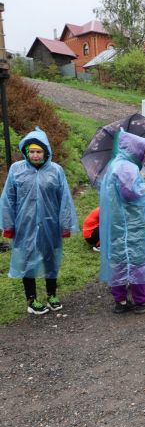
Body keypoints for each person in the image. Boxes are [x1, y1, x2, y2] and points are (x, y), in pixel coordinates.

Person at [0, 127, 78, 315]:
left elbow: (65, 199)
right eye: (32, 151)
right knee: (27, 259)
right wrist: (8, 225)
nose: (35, 155)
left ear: (46, 152)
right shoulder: (16, 170)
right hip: (23, 224)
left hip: (50, 224)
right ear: (26, 152)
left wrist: (65, 224)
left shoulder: (56, 170)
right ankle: (31, 299)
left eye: (39, 151)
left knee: (50, 258)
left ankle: (52, 295)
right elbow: (8, 198)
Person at [99, 129, 145, 314]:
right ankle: (141, 301)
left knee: (118, 261)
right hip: (130, 225)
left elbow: (128, 186)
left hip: (117, 224)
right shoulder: (127, 167)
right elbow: (132, 193)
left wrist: (144, 179)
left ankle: (121, 302)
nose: (144, 154)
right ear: (134, 149)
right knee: (137, 261)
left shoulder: (116, 164)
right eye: (143, 150)